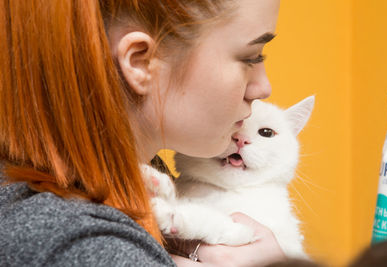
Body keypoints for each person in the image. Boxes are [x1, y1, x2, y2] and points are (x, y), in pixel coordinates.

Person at [0, 0, 285, 266]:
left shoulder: (130, 180)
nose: (263, 87)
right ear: (140, 62)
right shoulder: (94, 249)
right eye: (251, 57)